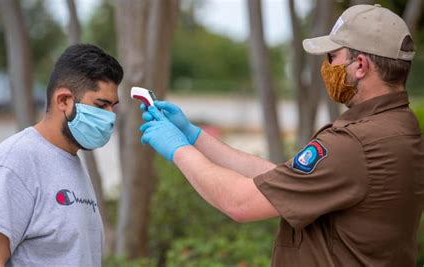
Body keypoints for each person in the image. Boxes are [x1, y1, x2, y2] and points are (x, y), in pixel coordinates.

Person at [139, 4, 424, 266]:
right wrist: (193, 136)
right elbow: (283, 181)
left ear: (360, 65)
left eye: (332, 57)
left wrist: (178, 149)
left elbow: (239, 202)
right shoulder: (399, 127)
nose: (327, 67)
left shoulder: (355, 144)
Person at [0, 44, 123, 266]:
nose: (110, 117)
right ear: (64, 101)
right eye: (101, 105)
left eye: (113, 106)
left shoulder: (70, 159)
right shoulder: (14, 162)